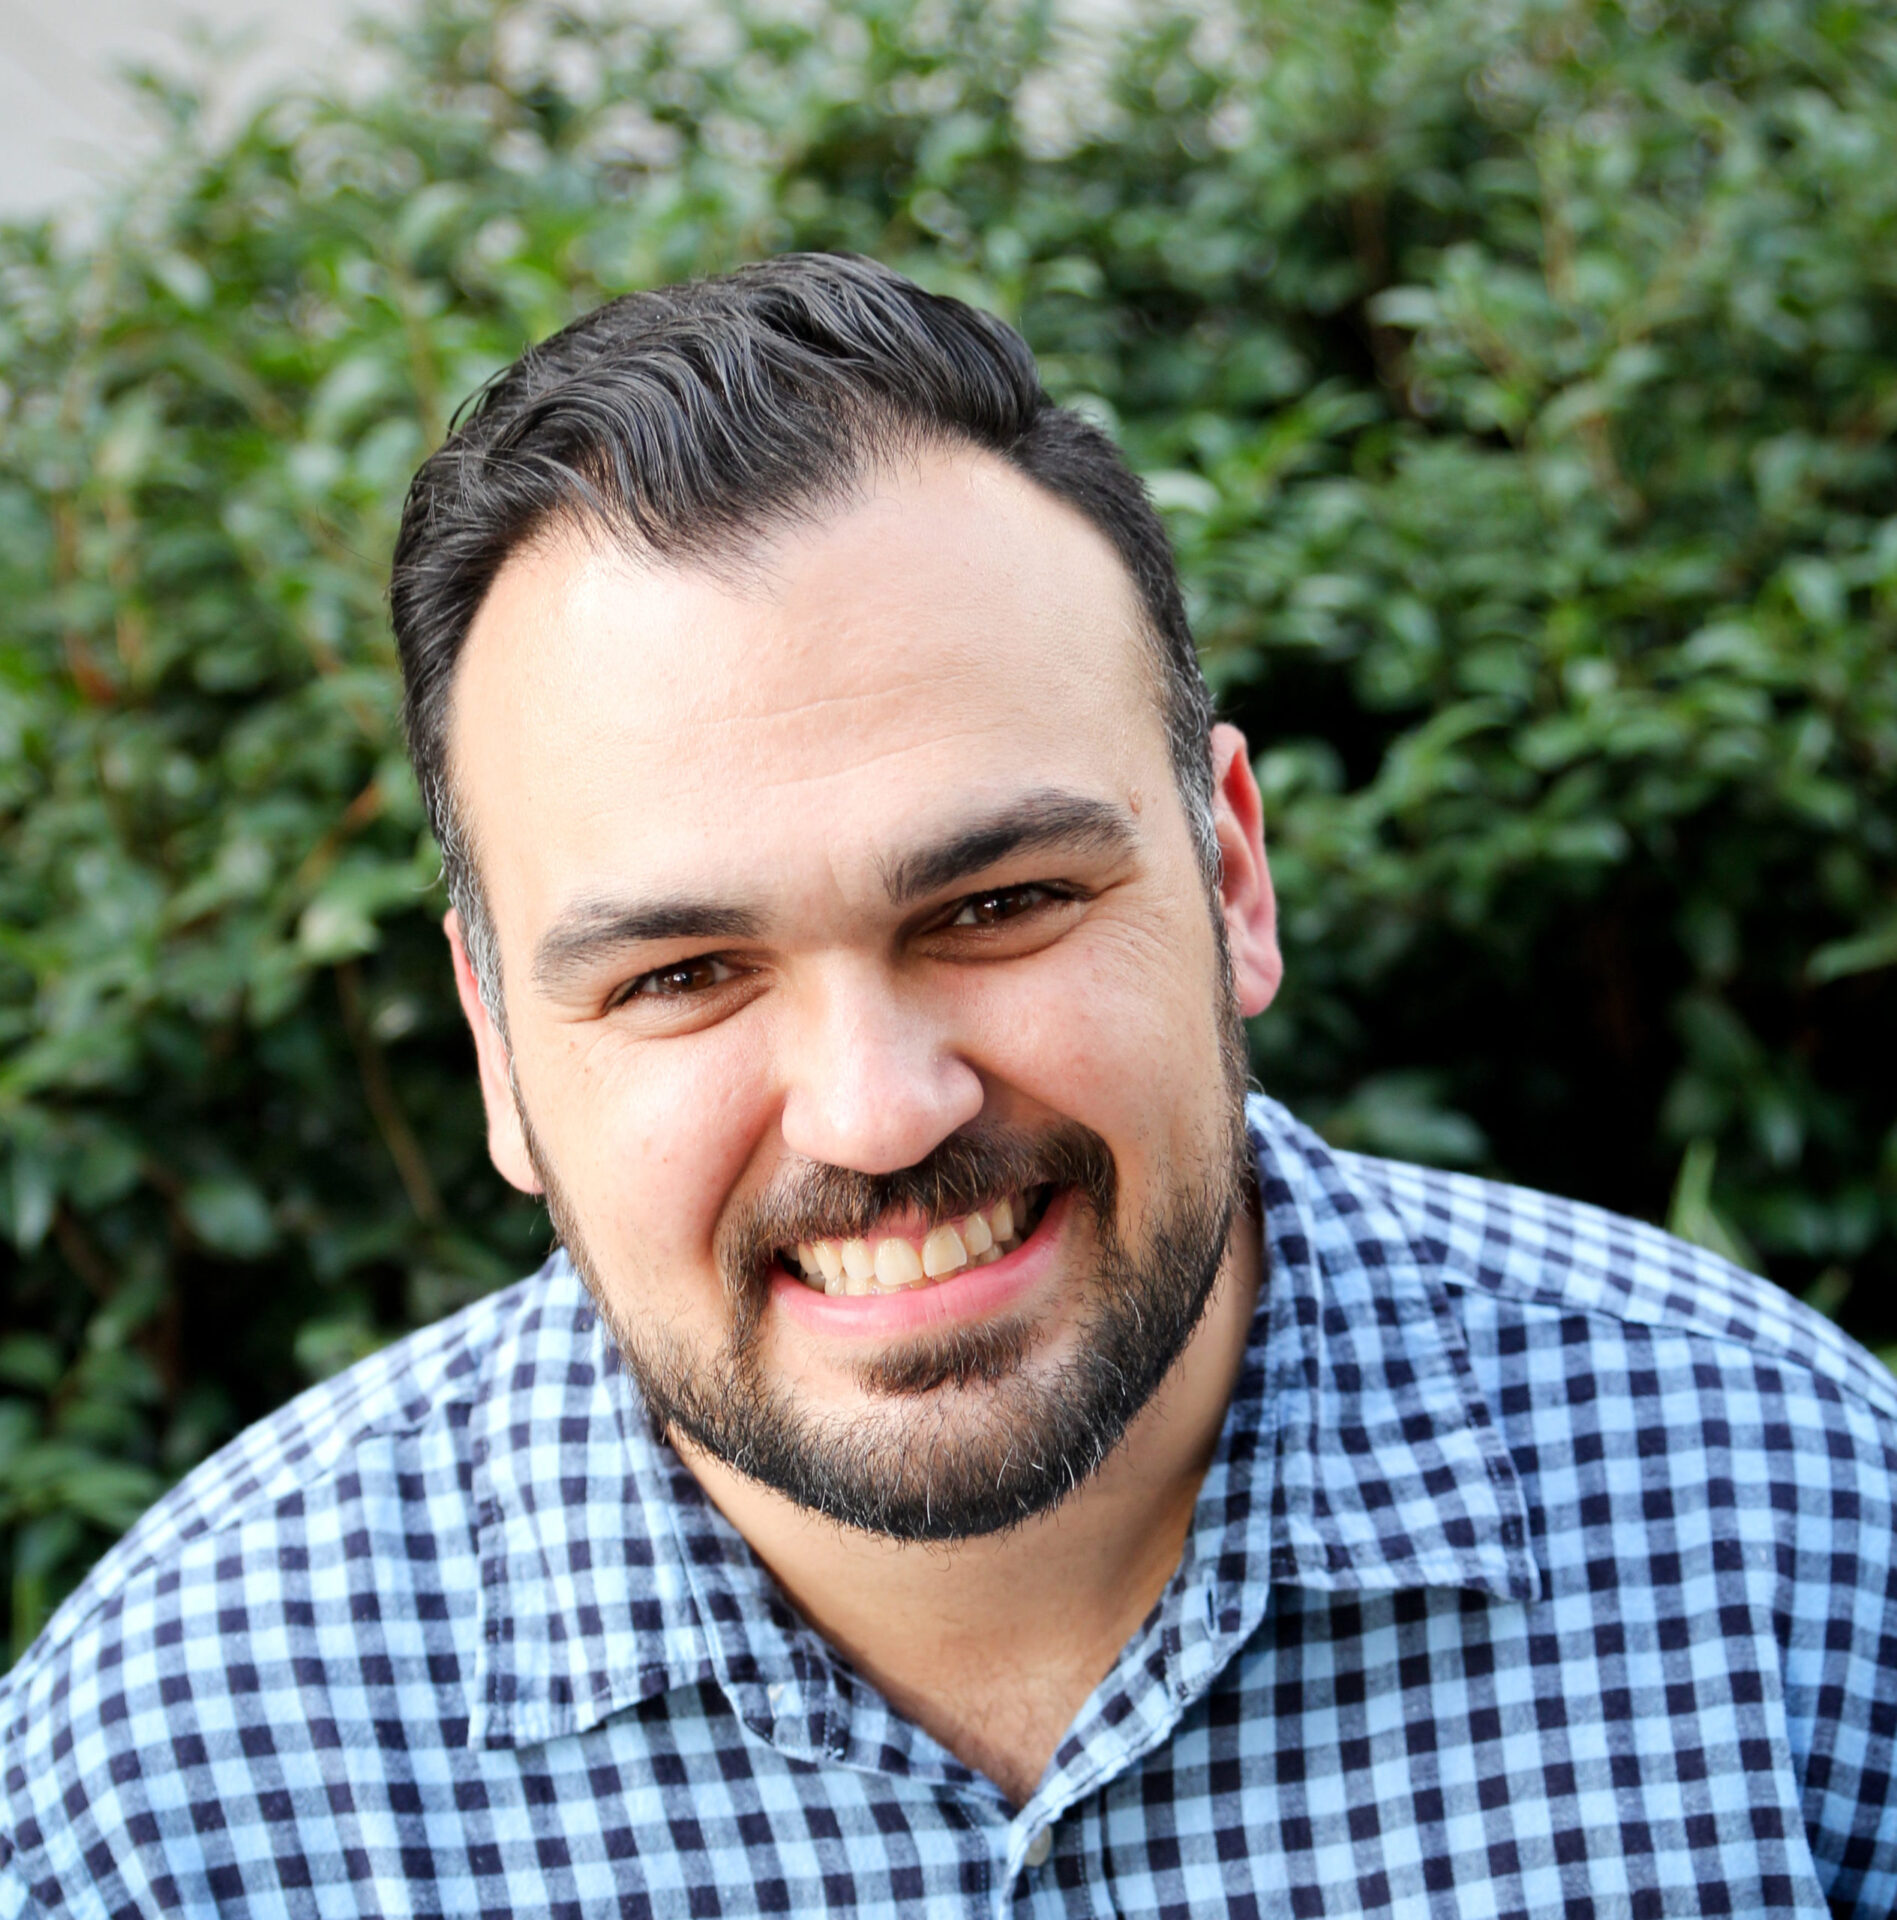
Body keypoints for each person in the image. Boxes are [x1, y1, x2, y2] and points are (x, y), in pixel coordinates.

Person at [2, 254, 1893, 1920]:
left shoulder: (1805, 1540)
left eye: (994, 905)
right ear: (498, 1047)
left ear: (1231, 878)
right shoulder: (168, 1791)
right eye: (681, 974)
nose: (877, 1111)